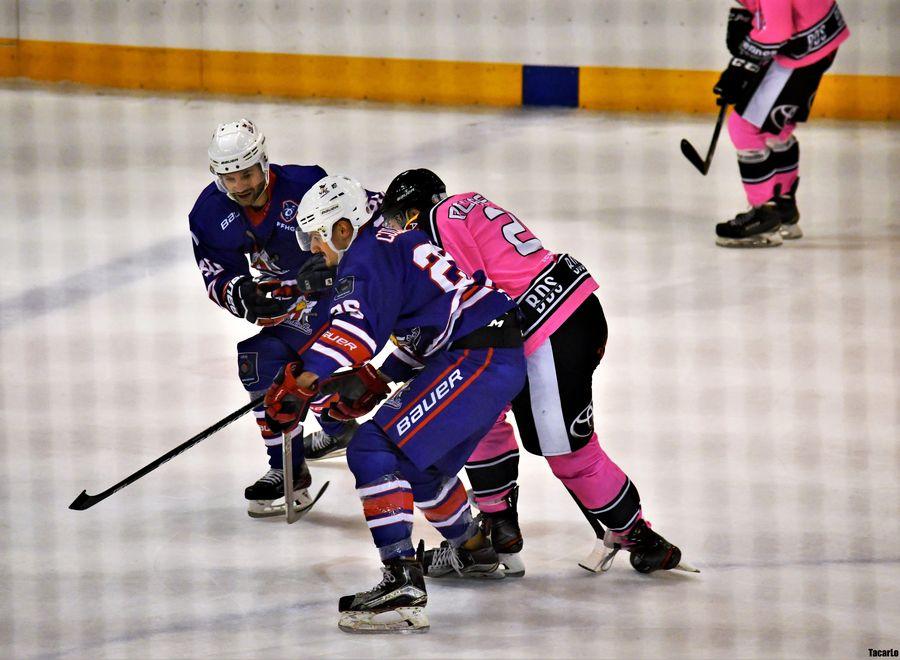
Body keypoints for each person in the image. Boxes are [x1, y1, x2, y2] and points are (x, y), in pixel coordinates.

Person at [379, 169, 697, 577]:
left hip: (548, 332)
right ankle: (498, 526)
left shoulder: (437, 220)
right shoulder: (468, 202)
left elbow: (473, 297)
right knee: (478, 408)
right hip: (570, 311)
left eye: (398, 221)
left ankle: (642, 538)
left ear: (413, 212)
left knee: (570, 457)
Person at [262, 175, 527, 633]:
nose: (316, 251)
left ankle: (401, 578)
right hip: (491, 355)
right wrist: (378, 377)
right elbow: (430, 327)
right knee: (420, 467)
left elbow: (353, 334)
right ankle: (473, 549)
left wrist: (301, 383)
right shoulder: (395, 238)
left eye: (319, 238)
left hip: (476, 357)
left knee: (370, 448)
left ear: (343, 228)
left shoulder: (362, 256)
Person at [188, 119, 361, 518]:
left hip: (332, 294)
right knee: (259, 363)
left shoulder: (306, 185)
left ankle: (334, 430)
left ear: (263, 162)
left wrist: (334, 265)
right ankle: (292, 464)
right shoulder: (208, 213)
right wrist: (240, 294)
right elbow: (217, 273)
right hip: (286, 300)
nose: (240, 186)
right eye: (229, 178)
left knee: (300, 361)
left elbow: (360, 221)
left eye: (246, 174)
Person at [713, 1, 849, 247]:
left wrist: (741, 65)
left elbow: (777, 30)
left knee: (744, 128)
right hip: (816, 39)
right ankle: (783, 206)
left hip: (800, 46)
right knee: (775, 128)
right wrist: (748, 18)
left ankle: (764, 214)